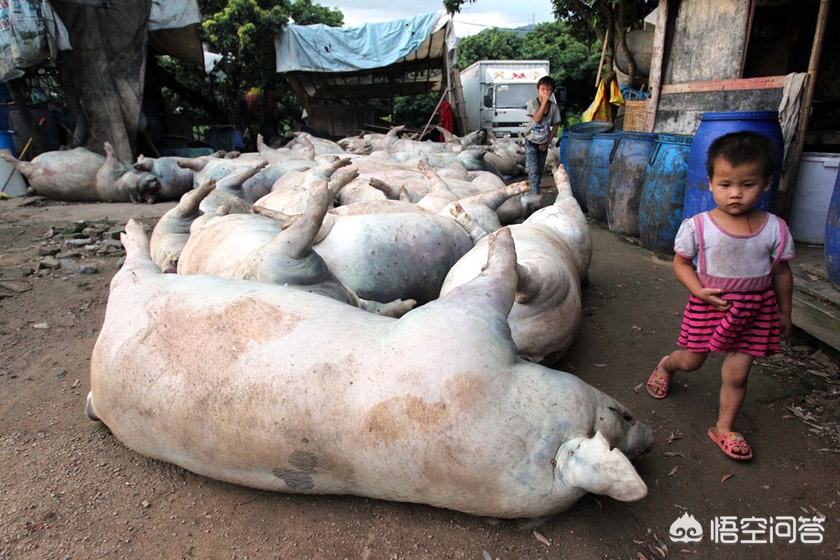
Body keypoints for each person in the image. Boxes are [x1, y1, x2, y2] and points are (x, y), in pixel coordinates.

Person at [645, 131, 795, 461]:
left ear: (766, 183)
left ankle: (724, 428)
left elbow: (782, 273)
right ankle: (668, 366)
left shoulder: (775, 229)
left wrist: (785, 313)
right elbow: (682, 263)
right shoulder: (699, 226)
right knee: (691, 361)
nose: (736, 194)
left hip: (755, 312)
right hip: (708, 307)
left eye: (748, 184)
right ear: (710, 182)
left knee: (737, 374)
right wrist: (697, 288)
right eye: (726, 185)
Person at [524, 76, 562, 207]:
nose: (545, 92)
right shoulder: (533, 102)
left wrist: (547, 142)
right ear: (538, 90)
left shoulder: (554, 108)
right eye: (543, 89)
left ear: (552, 91)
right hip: (531, 140)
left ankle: (533, 192)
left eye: (548, 89)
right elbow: (538, 119)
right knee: (533, 169)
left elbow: (555, 126)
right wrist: (544, 102)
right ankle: (535, 197)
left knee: (539, 169)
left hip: (543, 142)